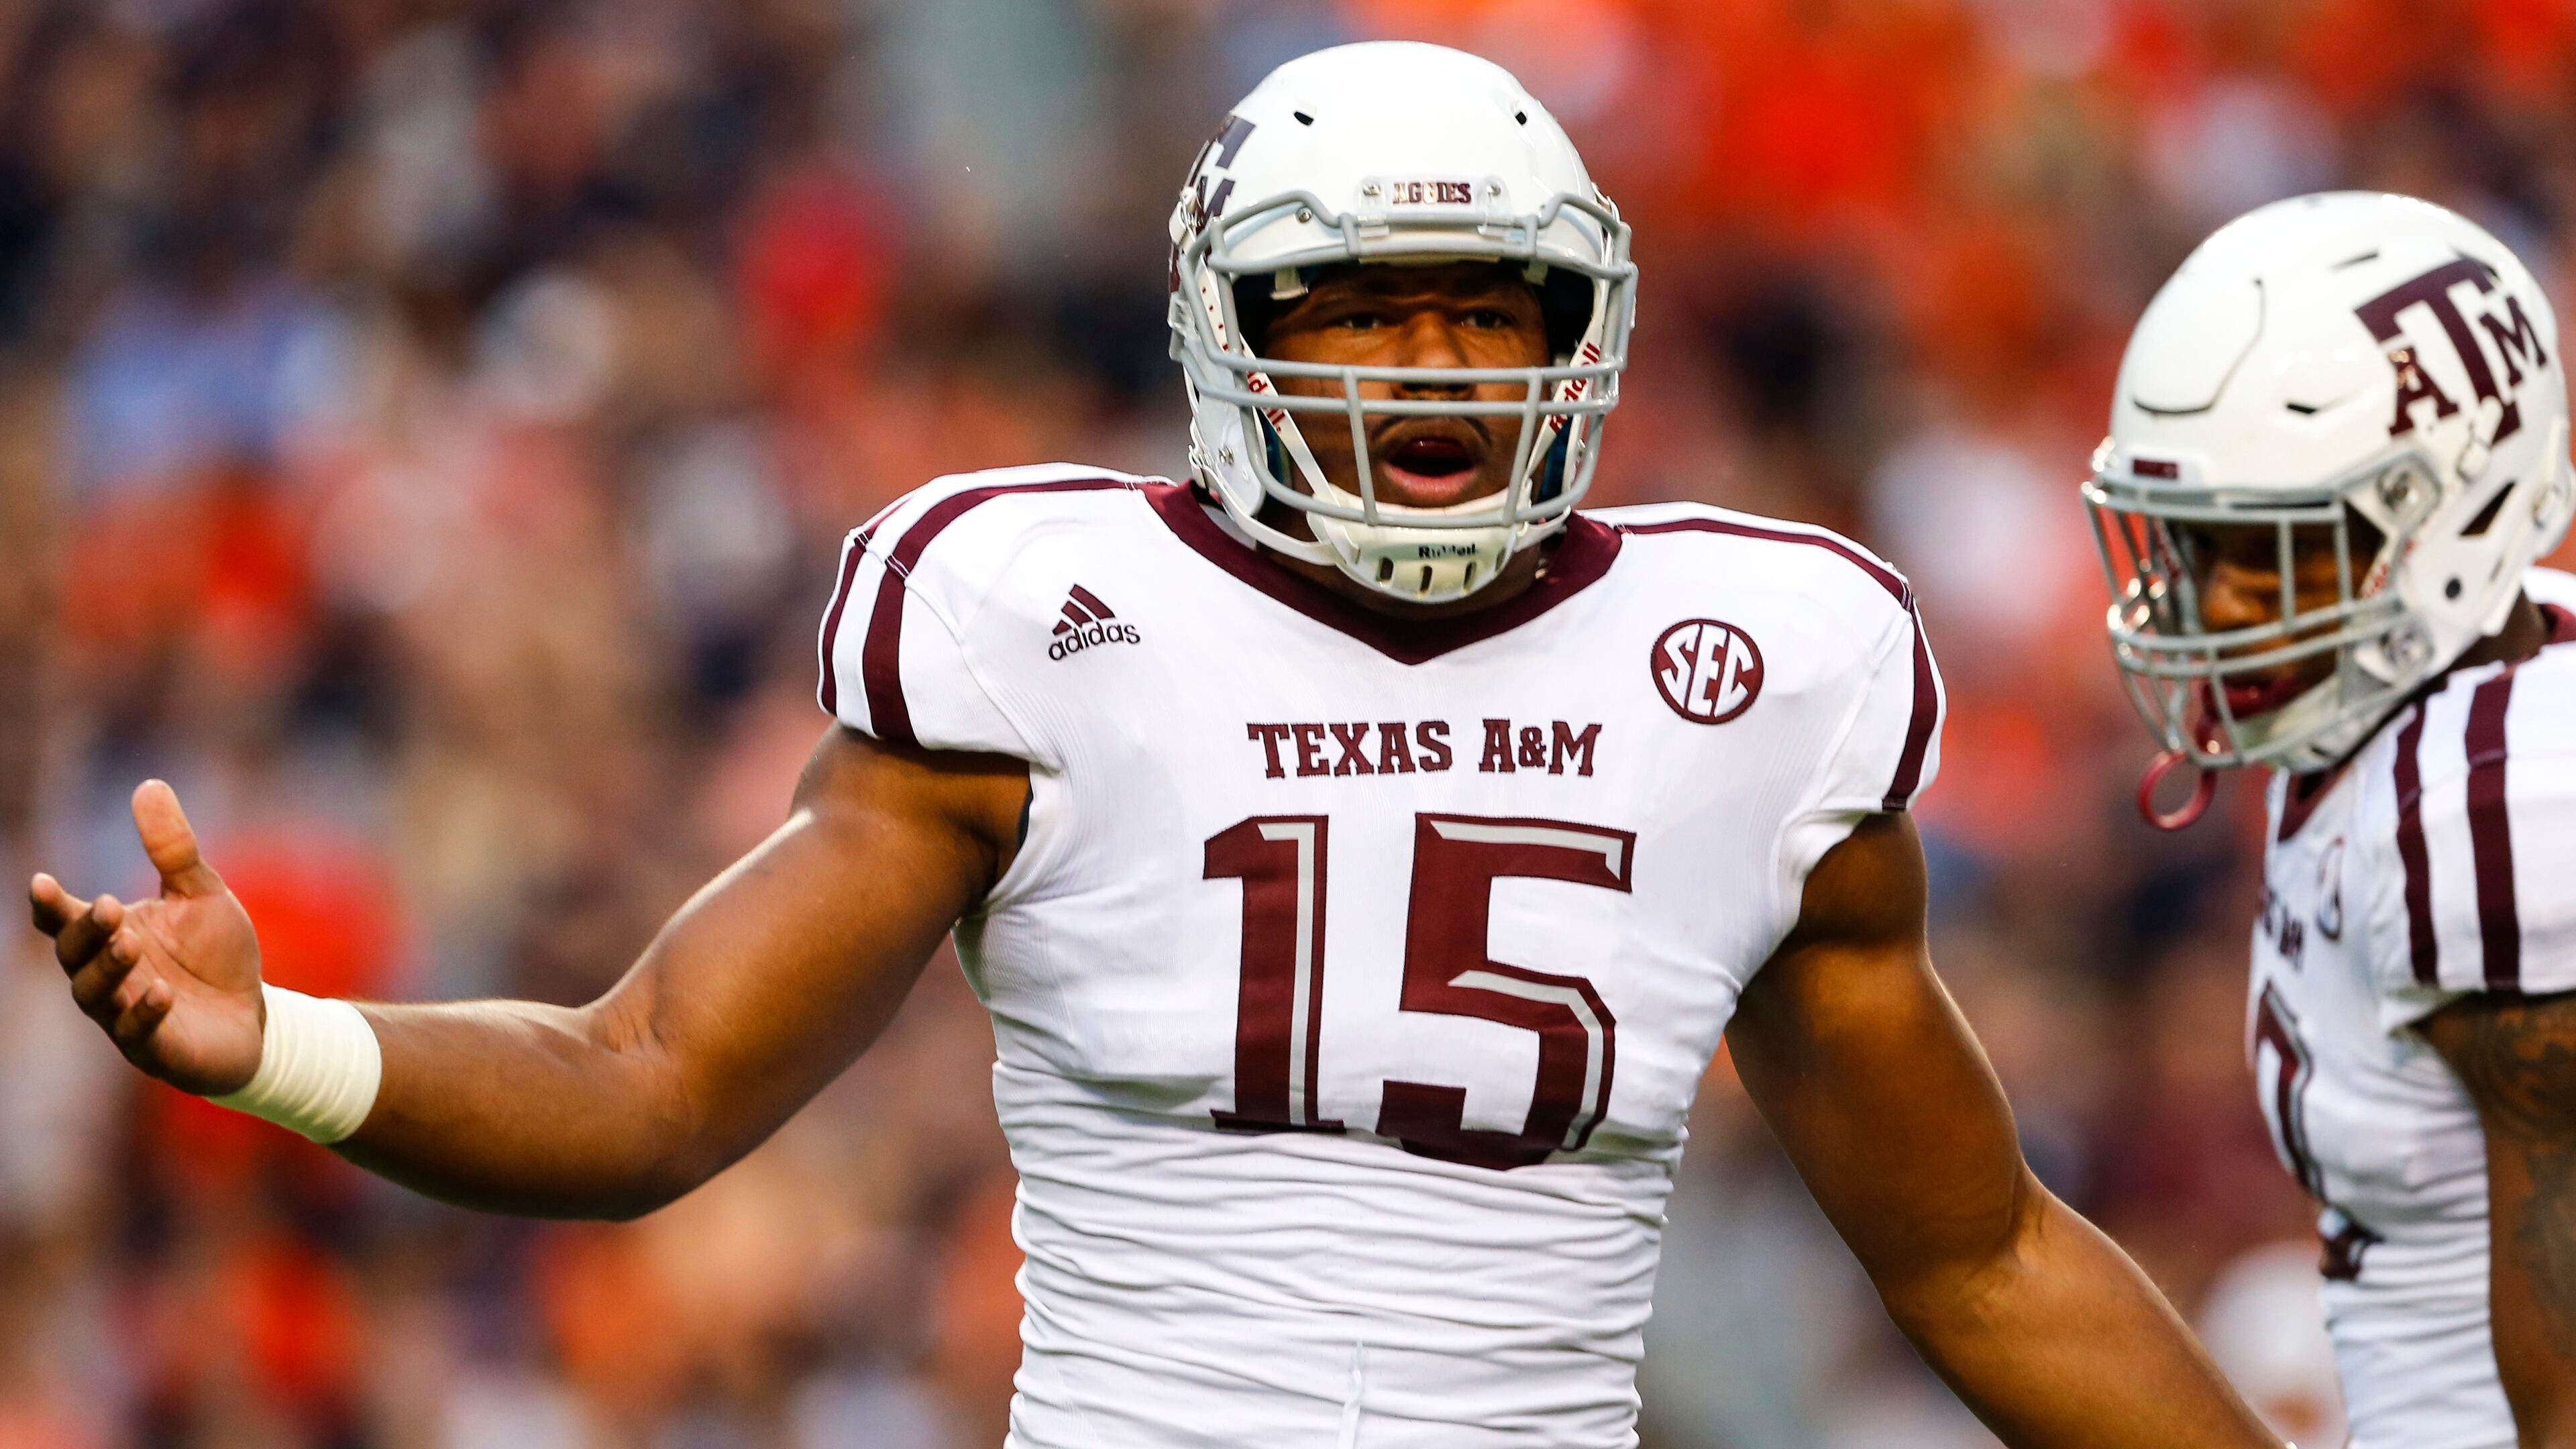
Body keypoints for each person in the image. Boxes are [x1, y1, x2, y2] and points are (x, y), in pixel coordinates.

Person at [31, 43, 2279, 1448]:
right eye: (1362, 309)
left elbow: (1978, 1251)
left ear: (1585, 333)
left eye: (1491, 310)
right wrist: (280, 1047)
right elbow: (648, 1086)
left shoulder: (1767, 655)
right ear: (1227, 333)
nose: (1431, 367)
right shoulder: (1042, 621)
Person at [2086, 189, 2576, 1448]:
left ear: (2452, 514)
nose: (2220, 603)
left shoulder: (2501, 791)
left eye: (2281, 551)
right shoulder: (2422, 716)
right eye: (2196, 546)